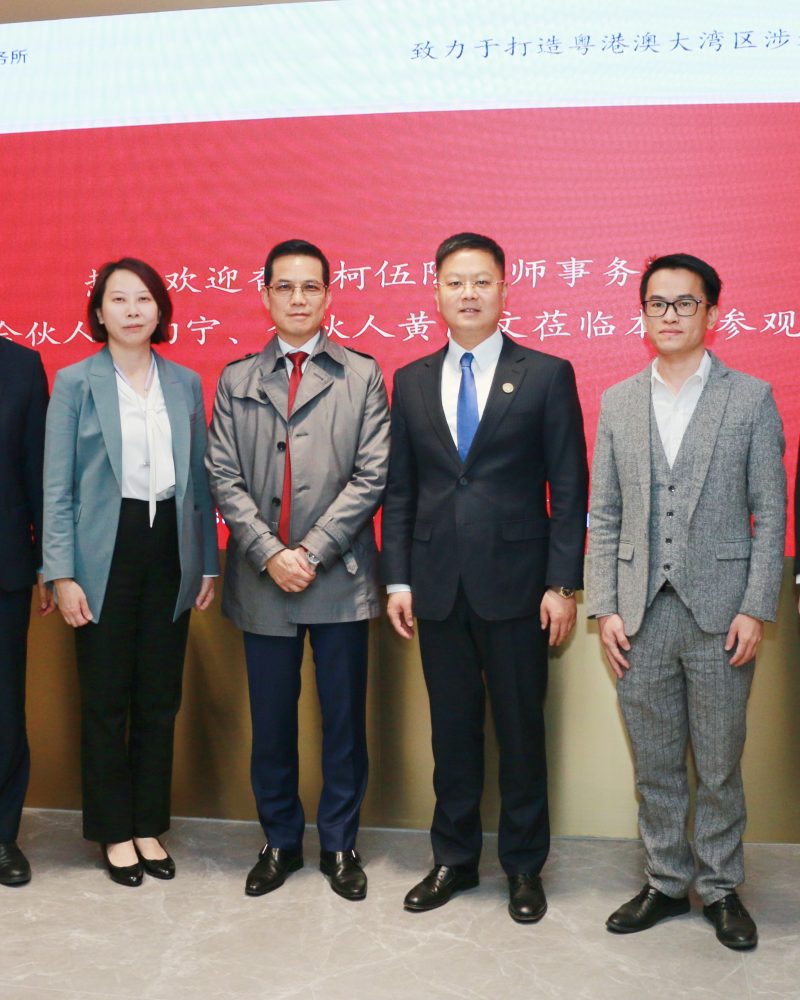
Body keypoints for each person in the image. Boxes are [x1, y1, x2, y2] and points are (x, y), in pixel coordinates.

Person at [381, 232, 588, 922]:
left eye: (481, 281)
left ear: (504, 288)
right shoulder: (411, 379)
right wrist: (398, 580)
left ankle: (524, 868)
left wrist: (561, 585)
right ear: (436, 291)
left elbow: (569, 487)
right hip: (437, 585)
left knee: (521, 733)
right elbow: (401, 490)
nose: (468, 293)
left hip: (520, 587)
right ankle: (455, 859)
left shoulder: (546, 374)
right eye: (455, 282)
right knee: (452, 732)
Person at [586, 253, 786, 951]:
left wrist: (756, 607)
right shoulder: (617, 401)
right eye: (657, 303)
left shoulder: (751, 398)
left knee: (720, 763)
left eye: (684, 303)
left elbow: (770, 512)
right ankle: (667, 882)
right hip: (638, 613)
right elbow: (605, 514)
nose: (669, 315)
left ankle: (722, 888)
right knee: (656, 761)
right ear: (642, 314)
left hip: (722, 613)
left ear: (712, 312)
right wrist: (605, 606)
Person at [206, 238, 389, 901]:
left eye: (311, 286)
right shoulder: (236, 379)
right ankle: (280, 841)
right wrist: (269, 552)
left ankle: (340, 844)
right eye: (284, 286)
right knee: (272, 725)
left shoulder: (362, 374)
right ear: (265, 296)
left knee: (343, 725)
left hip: (338, 578)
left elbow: (371, 475)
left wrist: (308, 553)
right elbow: (223, 475)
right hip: (263, 581)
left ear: (329, 296)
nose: (298, 298)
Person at [43, 258, 218, 887]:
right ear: (99, 312)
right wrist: (61, 572)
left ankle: (148, 825)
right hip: (102, 551)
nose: (133, 310)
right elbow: (57, 487)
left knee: (159, 698)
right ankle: (114, 831)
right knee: (105, 699)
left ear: (161, 310)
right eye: (119, 299)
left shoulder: (185, 383)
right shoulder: (74, 382)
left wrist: (208, 562)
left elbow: (199, 483)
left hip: (169, 543)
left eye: (144, 298)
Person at [0, 338, 54, 886]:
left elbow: (39, 471)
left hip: (5, 564)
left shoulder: (20, 366)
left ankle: (1, 834)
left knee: (4, 707)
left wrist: (46, 562)